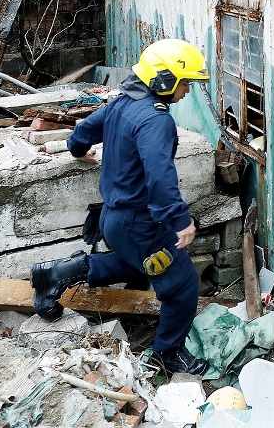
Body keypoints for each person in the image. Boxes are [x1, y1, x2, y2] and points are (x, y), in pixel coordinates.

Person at [30, 39, 211, 375]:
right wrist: (180, 219)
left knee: (138, 264)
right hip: (138, 222)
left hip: (112, 219)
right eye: (185, 82)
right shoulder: (156, 120)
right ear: (164, 79)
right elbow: (159, 176)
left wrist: (77, 148)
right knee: (183, 284)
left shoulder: (123, 102)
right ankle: (167, 354)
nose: (187, 91)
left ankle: (55, 274)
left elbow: (84, 130)